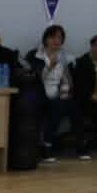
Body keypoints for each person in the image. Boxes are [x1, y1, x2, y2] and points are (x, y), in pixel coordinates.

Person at [27, 25, 78, 163]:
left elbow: (68, 80)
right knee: (57, 106)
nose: (56, 40)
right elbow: (33, 78)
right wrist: (49, 66)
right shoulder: (35, 55)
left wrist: (65, 90)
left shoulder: (65, 57)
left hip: (58, 94)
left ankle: (81, 146)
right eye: (52, 37)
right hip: (37, 93)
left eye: (59, 38)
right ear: (45, 39)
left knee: (73, 105)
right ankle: (47, 146)